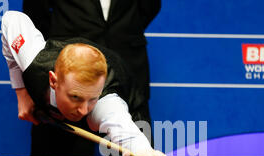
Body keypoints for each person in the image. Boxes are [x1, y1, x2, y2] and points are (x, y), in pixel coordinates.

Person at [1, 10, 169, 156]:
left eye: (92, 99)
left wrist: (141, 148)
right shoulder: (35, 60)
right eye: (75, 97)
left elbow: (123, 127)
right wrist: (21, 91)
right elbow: (11, 19)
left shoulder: (106, 103)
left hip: (130, 100)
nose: (83, 110)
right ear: (53, 81)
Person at [22, 0, 161, 125]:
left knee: (135, 147)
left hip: (128, 64)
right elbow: (35, 13)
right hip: (68, 70)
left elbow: (150, 6)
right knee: (61, 152)